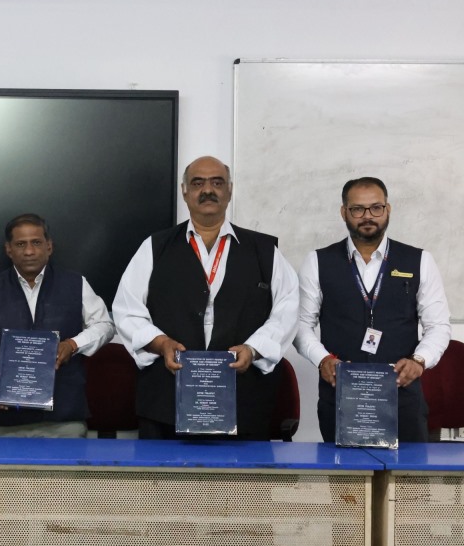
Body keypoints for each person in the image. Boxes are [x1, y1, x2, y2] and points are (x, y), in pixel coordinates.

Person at [113, 156, 298, 440]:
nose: (208, 190)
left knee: (242, 471)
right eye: (198, 183)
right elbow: (127, 310)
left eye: (217, 183)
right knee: (164, 471)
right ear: (185, 191)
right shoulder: (155, 247)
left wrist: (253, 348)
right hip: (166, 404)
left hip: (244, 404)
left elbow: (286, 311)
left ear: (230, 190)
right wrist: (161, 343)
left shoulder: (264, 250)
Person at [294, 176, 450, 443]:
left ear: (387, 209)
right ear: (344, 212)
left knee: (407, 471)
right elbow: (300, 325)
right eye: (357, 209)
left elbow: (438, 325)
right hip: (341, 396)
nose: (368, 216)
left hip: (402, 397)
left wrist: (419, 361)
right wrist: (323, 359)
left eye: (376, 208)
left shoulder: (420, 260)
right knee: (344, 471)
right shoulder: (318, 262)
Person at [0, 213, 115, 438]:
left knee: (66, 463)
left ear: (49, 246)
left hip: (64, 416)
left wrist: (73, 344)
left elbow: (105, 325)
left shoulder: (75, 283)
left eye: (36, 242)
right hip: (7, 417)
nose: (29, 251)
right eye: (20, 244)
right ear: (8, 249)